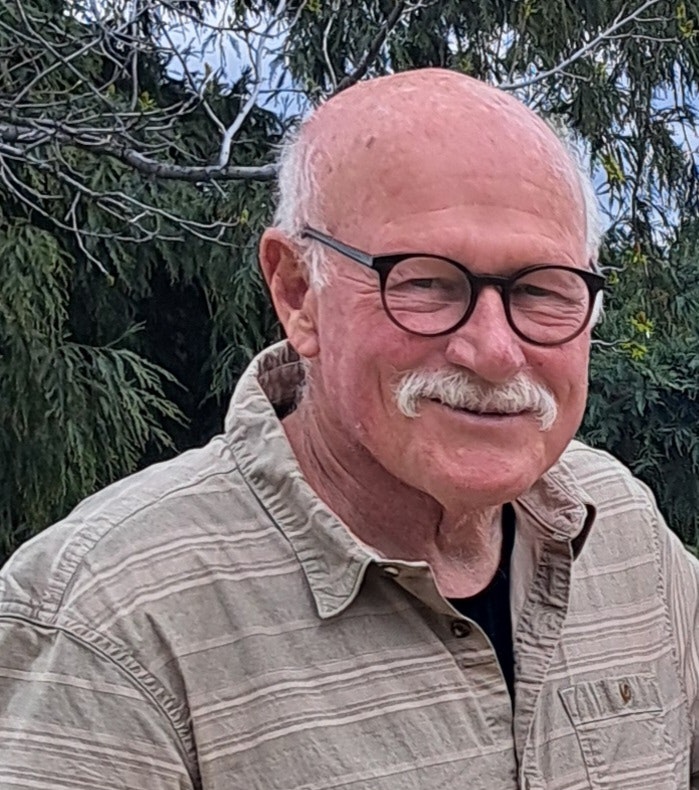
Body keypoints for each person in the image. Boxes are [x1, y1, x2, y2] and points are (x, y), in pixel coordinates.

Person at [0, 68, 697, 790]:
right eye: (426, 283)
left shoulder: (624, 532)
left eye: (541, 289)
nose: (494, 351)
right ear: (298, 293)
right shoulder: (109, 621)